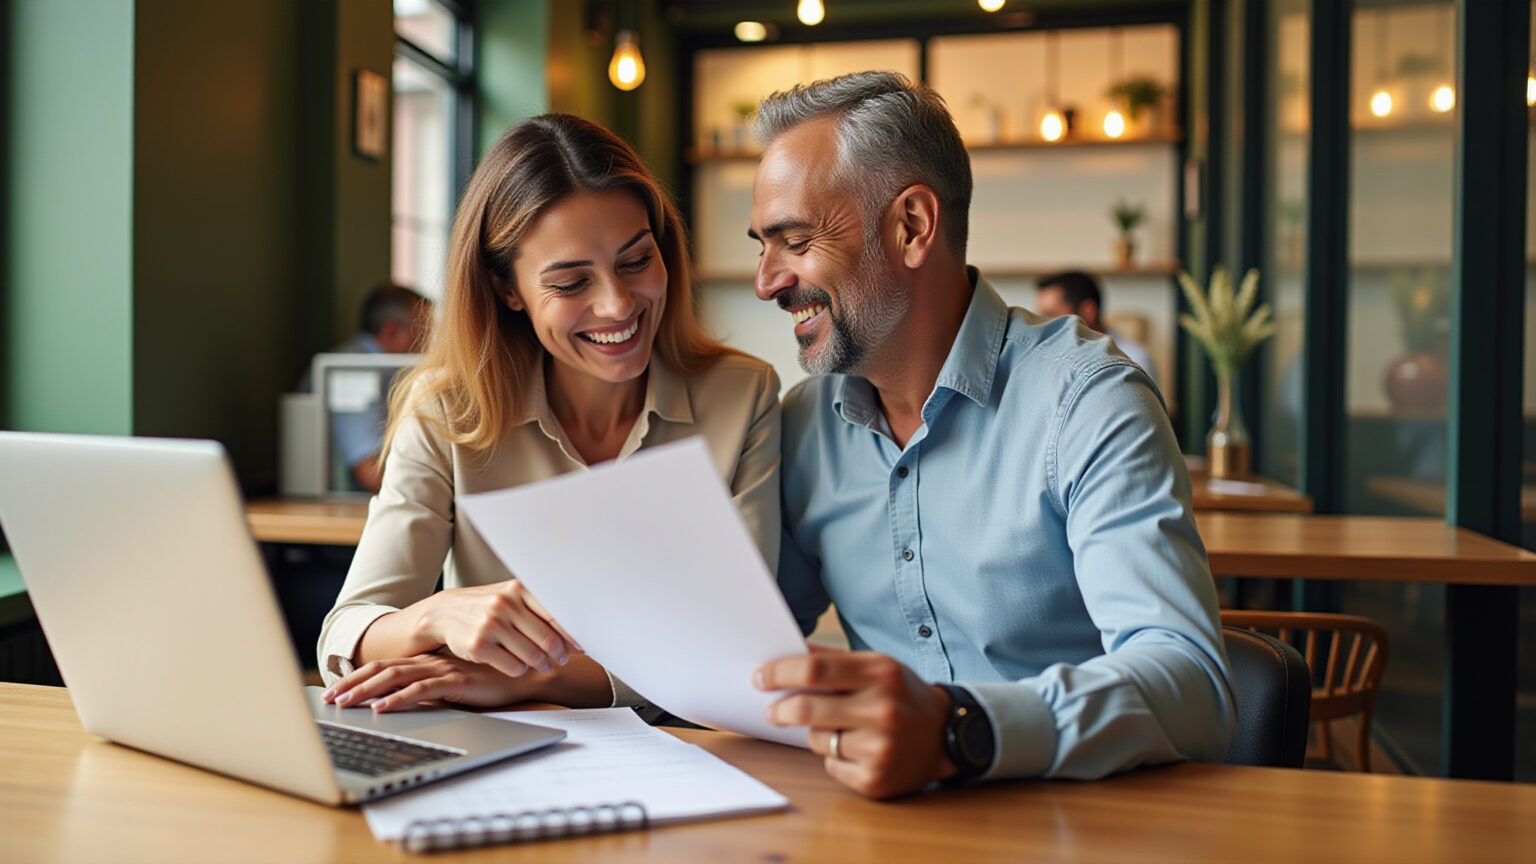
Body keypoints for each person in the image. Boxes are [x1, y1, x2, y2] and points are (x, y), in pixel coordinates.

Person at [746, 72, 1233, 798]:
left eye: (795, 242)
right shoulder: (805, 426)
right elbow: (743, 653)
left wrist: (957, 729)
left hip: (1082, 827)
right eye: (761, 246)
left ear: (911, 226)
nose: (766, 281)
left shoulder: (1087, 401)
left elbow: (1191, 684)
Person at [317, 114, 781, 716]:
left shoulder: (743, 396)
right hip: (499, 754)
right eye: (570, 282)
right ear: (508, 289)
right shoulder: (445, 413)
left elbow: (734, 646)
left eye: (637, 261)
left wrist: (527, 680)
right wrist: (436, 613)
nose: (617, 304)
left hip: (695, 746)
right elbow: (347, 629)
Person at [303, 282, 432, 492]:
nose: (428, 343)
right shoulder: (351, 372)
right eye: (423, 331)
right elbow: (372, 473)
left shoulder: (383, 369)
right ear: (391, 331)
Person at [1034, 270, 1157, 381]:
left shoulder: (1134, 360)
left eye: (1051, 314)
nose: (1043, 324)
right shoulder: (1046, 360)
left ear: (1088, 311)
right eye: (1039, 315)